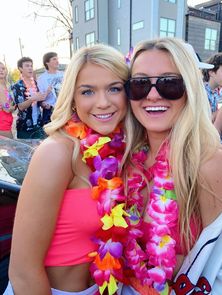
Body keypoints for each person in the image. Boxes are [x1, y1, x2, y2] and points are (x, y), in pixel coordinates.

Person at [4, 43, 129, 295]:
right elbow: (23, 273)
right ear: (72, 97)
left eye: (114, 88)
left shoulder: (118, 150)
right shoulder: (58, 153)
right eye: (87, 91)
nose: (103, 102)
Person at [121, 37, 222, 294]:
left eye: (169, 83)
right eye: (140, 84)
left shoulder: (210, 162)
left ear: (190, 89)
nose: (152, 95)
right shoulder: (126, 160)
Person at [11, 57, 47, 139]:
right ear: (20, 68)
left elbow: (39, 101)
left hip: (38, 124)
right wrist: (33, 98)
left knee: (39, 150)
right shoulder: (17, 86)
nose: (30, 68)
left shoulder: (37, 84)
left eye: (31, 66)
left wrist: (44, 104)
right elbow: (21, 107)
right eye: (27, 66)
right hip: (24, 127)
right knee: (25, 151)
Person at [37, 52, 64, 125]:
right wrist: (44, 104)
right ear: (47, 62)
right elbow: (40, 98)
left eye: (57, 59)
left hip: (64, 110)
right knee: (51, 135)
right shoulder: (41, 78)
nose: (57, 61)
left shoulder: (63, 75)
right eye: (54, 59)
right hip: (49, 111)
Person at [0, 62, 15, 138]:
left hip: (7, 121)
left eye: (3, 68)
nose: (1, 70)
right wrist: (15, 106)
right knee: (10, 147)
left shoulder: (6, 85)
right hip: (2, 122)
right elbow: (7, 109)